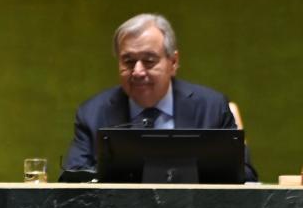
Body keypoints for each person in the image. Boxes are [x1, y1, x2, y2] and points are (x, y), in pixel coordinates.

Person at [63, 13, 257, 181]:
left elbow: (245, 175)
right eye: (128, 61)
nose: (138, 72)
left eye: (149, 61)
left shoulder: (212, 108)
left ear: (173, 62)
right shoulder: (93, 113)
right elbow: (73, 179)